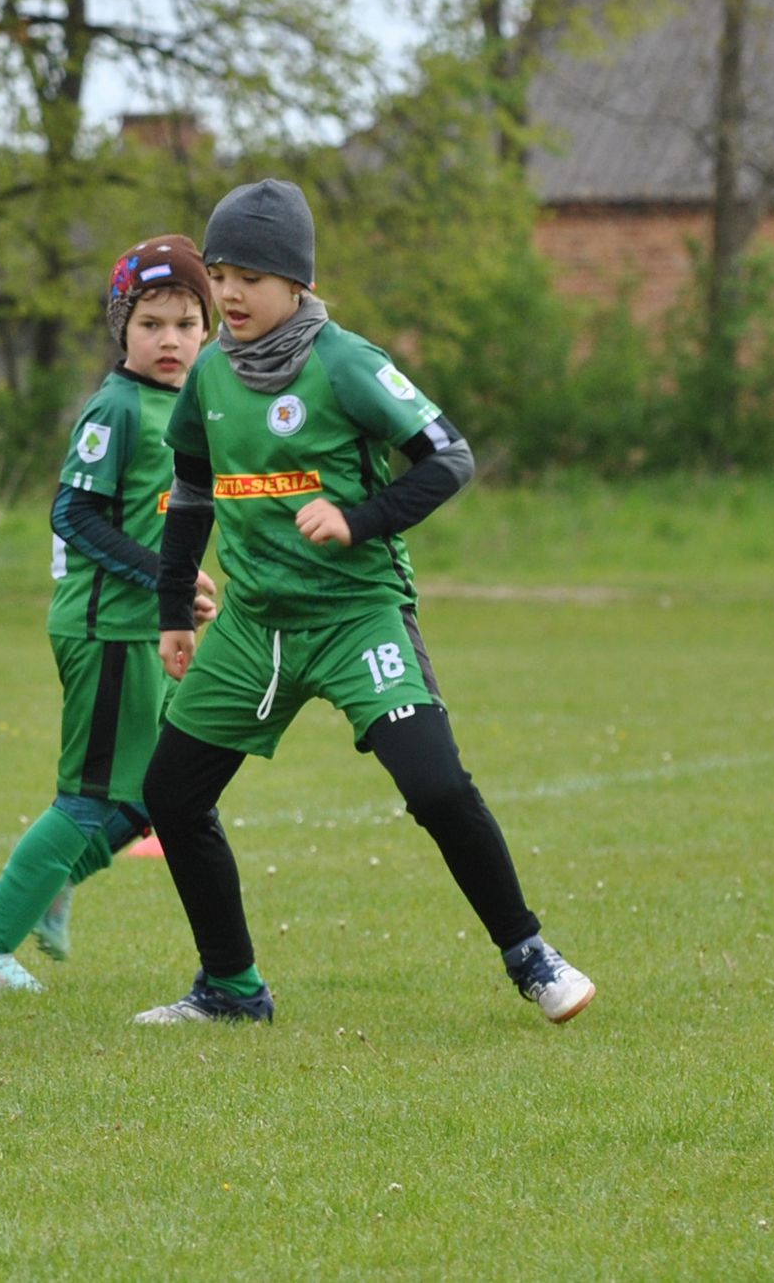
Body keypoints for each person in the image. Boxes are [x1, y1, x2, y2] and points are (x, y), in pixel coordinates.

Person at [135, 178, 597, 1028]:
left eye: (250, 277)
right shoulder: (208, 374)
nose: (230, 294)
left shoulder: (345, 362)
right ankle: (231, 989)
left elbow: (447, 458)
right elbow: (192, 491)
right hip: (253, 629)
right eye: (221, 274)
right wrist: (173, 609)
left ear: (298, 284)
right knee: (170, 796)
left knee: (436, 788)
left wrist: (358, 519)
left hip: (357, 619)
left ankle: (531, 955)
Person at [0, 236, 217, 994]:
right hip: (105, 630)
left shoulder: (190, 405)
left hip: (149, 629)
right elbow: (73, 514)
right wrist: (169, 580)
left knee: (154, 796)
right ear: (122, 329)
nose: (169, 340)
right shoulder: (116, 407)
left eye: (185, 325)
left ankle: (51, 881)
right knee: (92, 796)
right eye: (151, 325)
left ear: (208, 330)